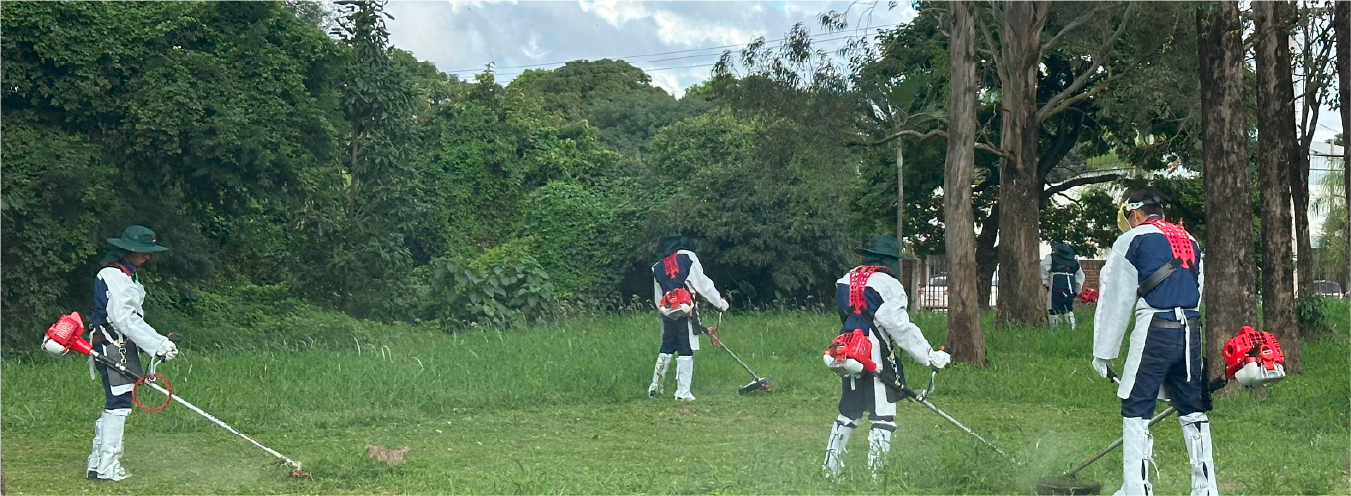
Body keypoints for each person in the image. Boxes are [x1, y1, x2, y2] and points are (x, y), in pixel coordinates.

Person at [1092, 190, 1216, 496]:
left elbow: (1115, 299)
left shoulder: (1132, 240)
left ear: (1135, 215)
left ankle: (1136, 488)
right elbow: (1198, 289)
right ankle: (1206, 489)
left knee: (1136, 405)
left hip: (1156, 329)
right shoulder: (1190, 238)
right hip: (1191, 329)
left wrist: (1103, 353)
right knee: (1193, 409)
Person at [822, 235, 950, 479]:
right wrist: (928, 355)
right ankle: (877, 478)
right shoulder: (888, 285)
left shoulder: (845, 279)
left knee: (848, 411)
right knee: (882, 416)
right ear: (888, 261)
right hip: (874, 354)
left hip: (846, 349)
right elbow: (899, 327)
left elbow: (845, 316)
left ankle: (829, 469)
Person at [86, 225, 180, 481]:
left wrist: (158, 341)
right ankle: (107, 466)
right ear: (129, 250)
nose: (148, 256)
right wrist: (157, 344)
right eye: (144, 251)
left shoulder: (127, 275)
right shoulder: (114, 276)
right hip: (112, 342)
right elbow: (123, 319)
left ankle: (97, 464)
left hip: (119, 343)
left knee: (116, 402)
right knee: (118, 403)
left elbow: (132, 319)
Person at [646, 234, 728, 401]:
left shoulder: (657, 266)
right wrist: (720, 303)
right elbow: (703, 285)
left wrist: (666, 310)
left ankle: (655, 387)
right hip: (686, 309)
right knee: (685, 348)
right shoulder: (688, 257)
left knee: (667, 346)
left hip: (668, 310)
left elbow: (658, 298)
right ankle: (683, 393)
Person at [1041, 242, 1086, 328]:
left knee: (1053, 307)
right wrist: (1077, 290)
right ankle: (1071, 328)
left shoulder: (1051, 257)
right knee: (1068, 308)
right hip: (1070, 287)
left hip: (1057, 284)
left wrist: (1045, 282)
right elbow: (1081, 276)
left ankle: (1054, 329)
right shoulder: (1074, 261)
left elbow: (1043, 266)